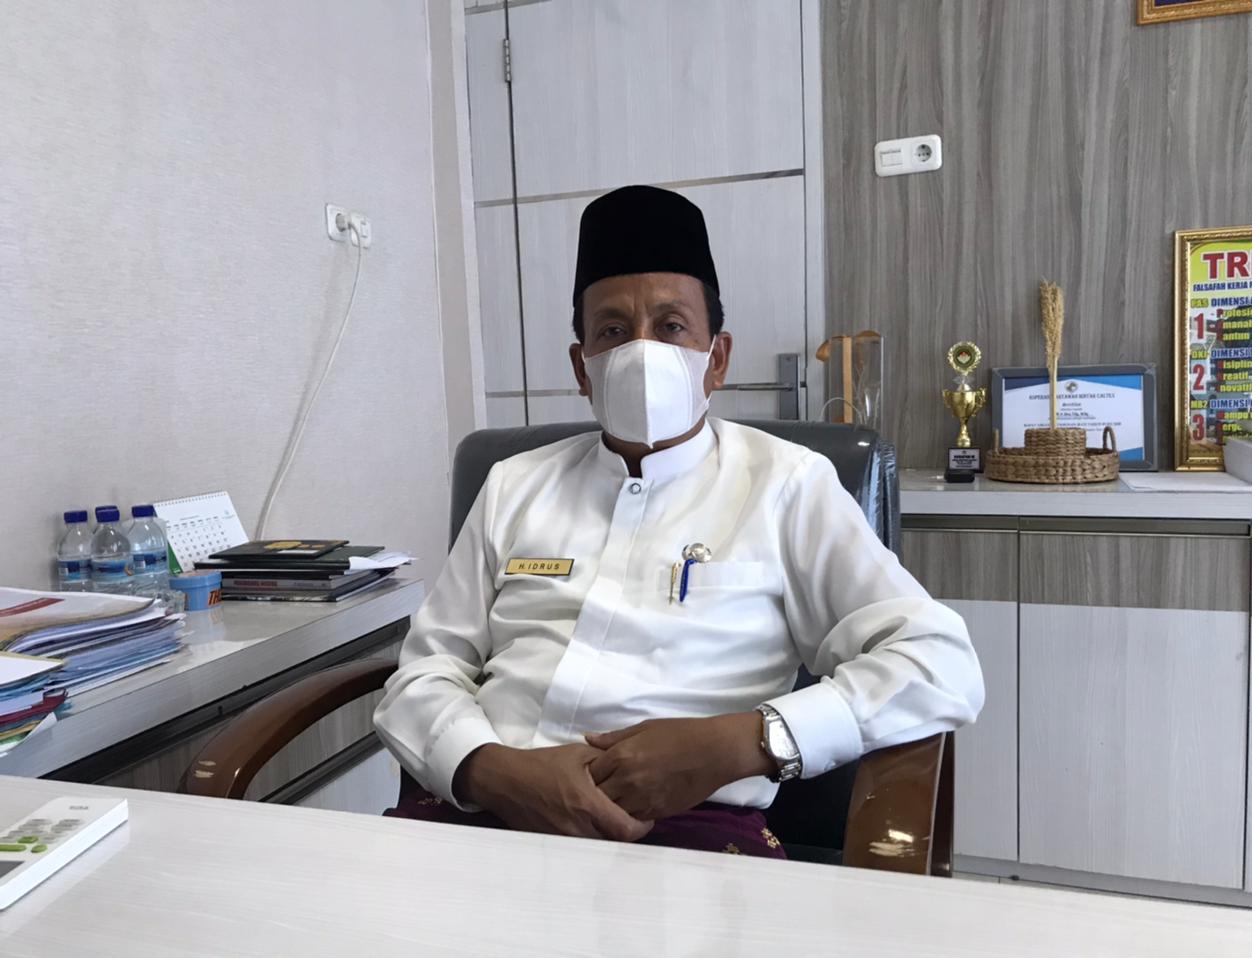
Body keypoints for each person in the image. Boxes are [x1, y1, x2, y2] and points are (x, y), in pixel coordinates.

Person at [374, 185, 984, 858]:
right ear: (582, 367)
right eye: (612, 331)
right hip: (482, 807)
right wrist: (489, 769)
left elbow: (939, 664)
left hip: (690, 828)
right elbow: (424, 672)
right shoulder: (515, 484)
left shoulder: (785, 484)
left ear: (715, 359)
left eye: (670, 327)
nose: (641, 351)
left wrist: (746, 741)